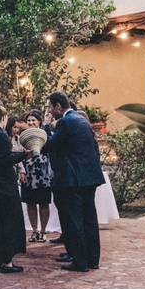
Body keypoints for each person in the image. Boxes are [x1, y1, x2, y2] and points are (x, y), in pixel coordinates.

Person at [45, 91, 105, 272]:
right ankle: (93, 259)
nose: (49, 111)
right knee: (89, 220)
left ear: (58, 106)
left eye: (50, 107)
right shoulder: (82, 120)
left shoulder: (65, 122)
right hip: (89, 178)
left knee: (75, 220)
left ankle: (80, 261)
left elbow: (51, 145)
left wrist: (47, 127)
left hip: (73, 179)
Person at [0, 104, 27, 273]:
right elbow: (4, 159)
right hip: (5, 183)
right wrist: (24, 155)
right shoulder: (1, 135)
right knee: (8, 222)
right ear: (3, 117)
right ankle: (6, 261)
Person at [20, 110, 53, 243]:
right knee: (30, 203)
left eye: (34, 120)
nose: (31, 122)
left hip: (43, 172)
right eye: (29, 120)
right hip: (28, 172)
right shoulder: (22, 136)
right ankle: (34, 230)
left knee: (44, 202)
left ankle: (43, 231)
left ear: (39, 122)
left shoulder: (45, 134)